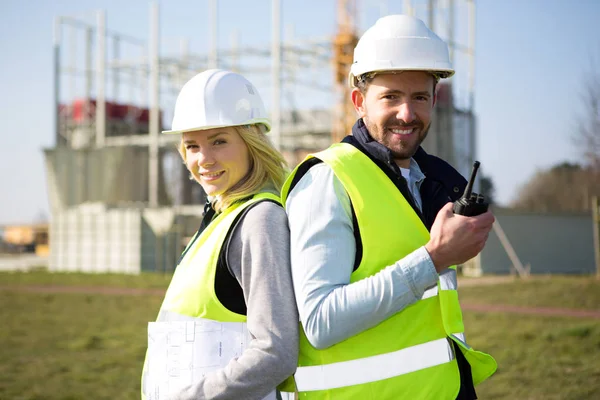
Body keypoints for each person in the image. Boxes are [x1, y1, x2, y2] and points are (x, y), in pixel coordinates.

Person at [279, 15, 497, 399]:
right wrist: (434, 258)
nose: (408, 114)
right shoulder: (328, 180)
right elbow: (320, 320)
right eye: (391, 97)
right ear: (360, 102)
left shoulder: (429, 182)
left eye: (420, 98)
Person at [141, 69, 298, 400]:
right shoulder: (221, 215)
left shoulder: (260, 219)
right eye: (192, 146)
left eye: (219, 141)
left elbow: (276, 352)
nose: (204, 159)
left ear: (251, 141)